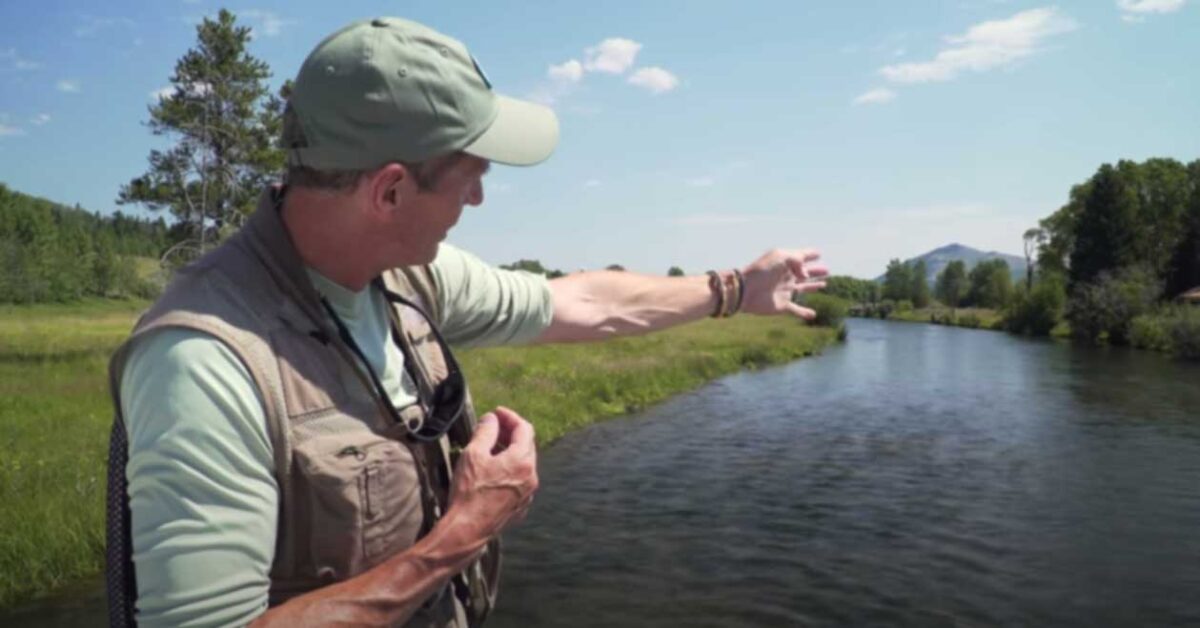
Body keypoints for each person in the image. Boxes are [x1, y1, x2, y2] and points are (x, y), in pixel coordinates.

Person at [105, 16, 829, 628]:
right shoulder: (202, 364)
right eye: (470, 172)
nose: (479, 198)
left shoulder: (409, 276)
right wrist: (462, 534)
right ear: (390, 190)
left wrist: (733, 288)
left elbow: (583, 302)